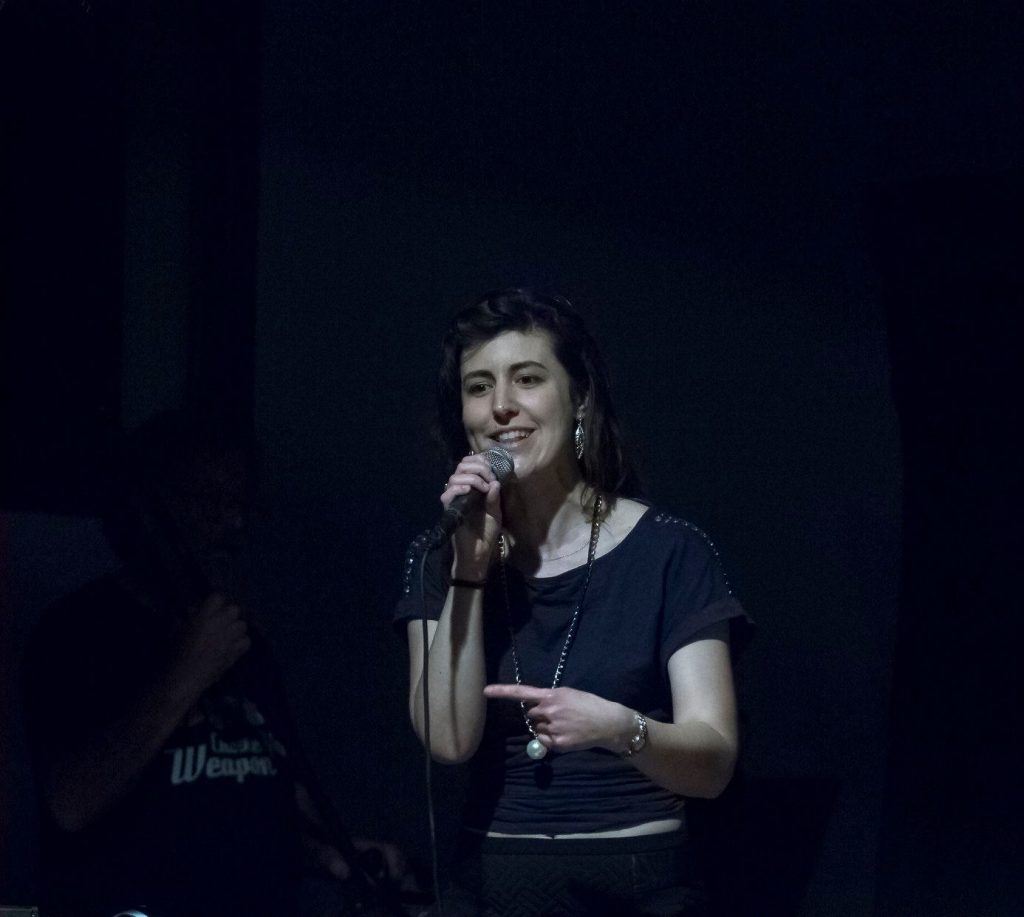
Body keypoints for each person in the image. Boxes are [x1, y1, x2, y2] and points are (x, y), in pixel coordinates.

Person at [394, 290, 749, 916]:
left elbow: (713, 763)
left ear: (579, 398)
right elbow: (448, 741)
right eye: (479, 387)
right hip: (493, 883)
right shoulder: (440, 553)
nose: (501, 406)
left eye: (528, 379)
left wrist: (619, 729)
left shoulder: (670, 551)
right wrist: (469, 574)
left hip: (635, 884)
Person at [22, 409, 409, 917]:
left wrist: (334, 855)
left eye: (240, 504)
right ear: (149, 512)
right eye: (209, 503)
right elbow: (70, 803)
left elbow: (269, 790)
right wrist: (187, 671)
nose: (234, 524)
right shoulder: (79, 632)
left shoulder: (243, 642)